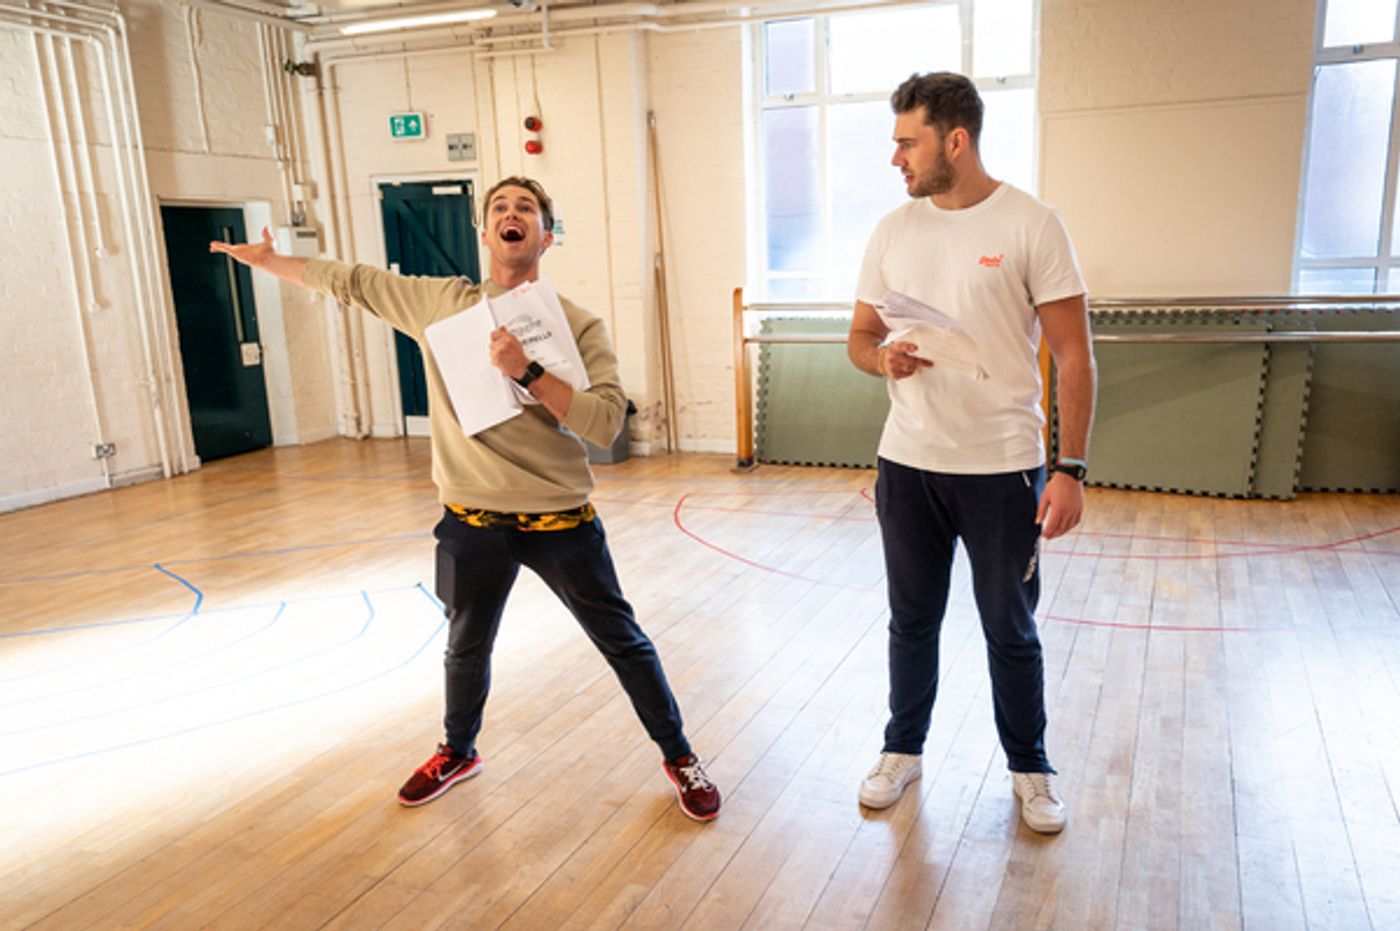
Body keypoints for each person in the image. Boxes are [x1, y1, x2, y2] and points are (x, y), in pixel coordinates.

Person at [210, 176, 721, 821]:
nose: (512, 215)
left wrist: (527, 372)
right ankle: (458, 750)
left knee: (623, 642)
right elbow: (353, 282)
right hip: (471, 520)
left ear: (546, 235)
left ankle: (679, 756)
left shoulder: (580, 326)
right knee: (464, 645)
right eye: (500, 208)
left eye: (527, 209)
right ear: (485, 233)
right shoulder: (441, 305)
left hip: (560, 520)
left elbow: (604, 422)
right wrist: (273, 261)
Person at [846, 73, 1096, 834]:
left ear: (955, 140)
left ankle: (1031, 766)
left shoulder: (1033, 223)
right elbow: (859, 339)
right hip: (909, 464)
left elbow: (1074, 356)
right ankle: (902, 749)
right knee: (910, 619)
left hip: (1002, 468)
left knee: (1009, 627)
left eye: (906, 141)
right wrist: (881, 359)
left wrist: (1070, 470)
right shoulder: (892, 229)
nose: (895, 157)